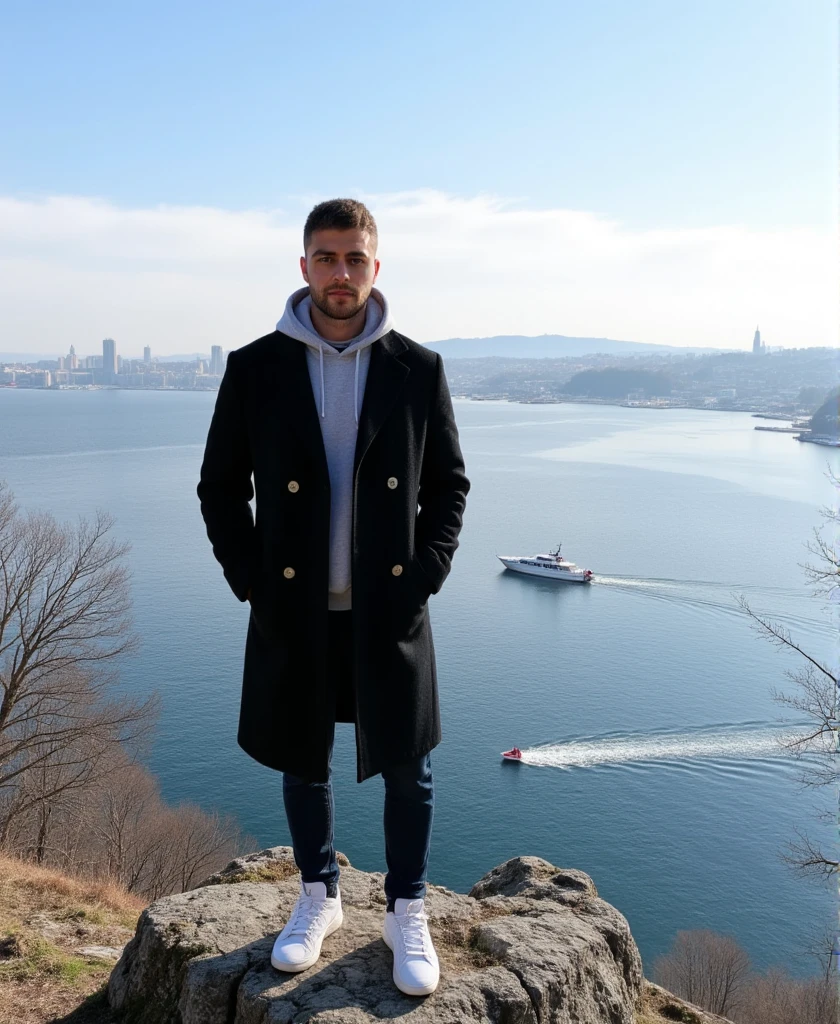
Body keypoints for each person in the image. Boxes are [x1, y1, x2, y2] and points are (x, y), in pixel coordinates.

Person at [196, 198, 469, 997]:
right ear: (304, 265)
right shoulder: (256, 367)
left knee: (408, 765)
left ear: (375, 268)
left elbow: (448, 486)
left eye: (354, 258)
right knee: (301, 756)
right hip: (294, 605)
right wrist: (251, 580)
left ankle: (405, 907)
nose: (340, 273)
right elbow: (219, 488)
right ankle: (319, 895)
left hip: (389, 606)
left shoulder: (418, 369)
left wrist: (426, 575)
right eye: (326, 257)